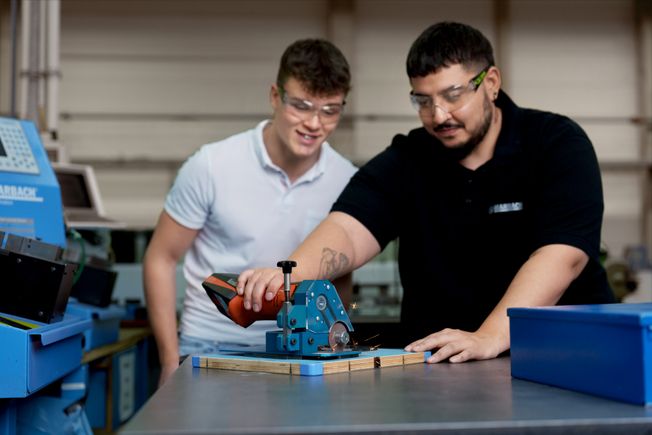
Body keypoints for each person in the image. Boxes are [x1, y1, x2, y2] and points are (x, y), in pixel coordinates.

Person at [236, 22, 615, 364]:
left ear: (491, 82)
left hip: (562, 360)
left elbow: (563, 255)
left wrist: (492, 335)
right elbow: (349, 230)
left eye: (453, 95)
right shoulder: (409, 159)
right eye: (423, 100)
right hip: (439, 366)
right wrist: (289, 274)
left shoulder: (556, 144)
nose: (439, 115)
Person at [143, 38, 357, 386]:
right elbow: (160, 259)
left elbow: (340, 273)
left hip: (301, 353)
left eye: (330, 110)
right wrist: (169, 360)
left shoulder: (346, 180)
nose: (314, 123)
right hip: (210, 346)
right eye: (301, 106)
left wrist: (332, 348)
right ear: (275, 96)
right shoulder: (211, 165)